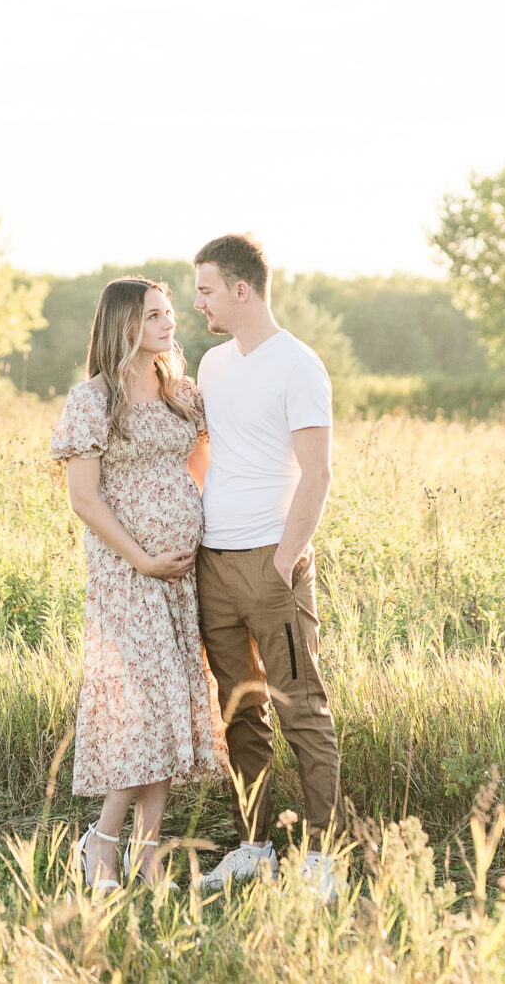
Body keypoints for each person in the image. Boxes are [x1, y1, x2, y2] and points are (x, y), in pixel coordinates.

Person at [50, 276, 223, 890]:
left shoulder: (181, 392)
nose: (170, 323)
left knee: (172, 708)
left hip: (180, 574)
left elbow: (199, 456)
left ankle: (146, 857)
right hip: (127, 576)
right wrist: (144, 557)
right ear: (125, 324)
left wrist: (180, 509)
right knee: (143, 710)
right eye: (155, 315)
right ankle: (100, 842)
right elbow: (85, 499)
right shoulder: (93, 398)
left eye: (170, 313)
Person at [187, 232, 342, 901]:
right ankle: (254, 848)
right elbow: (205, 454)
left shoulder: (299, 366)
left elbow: (319, 473)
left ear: (241, 288)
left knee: (300, 708)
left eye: (206, 290)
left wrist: (284, 561)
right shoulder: (213, 363)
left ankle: (321, 859)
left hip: (272, 568)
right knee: (239, 710)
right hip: (213, 566)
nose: (199, 303)